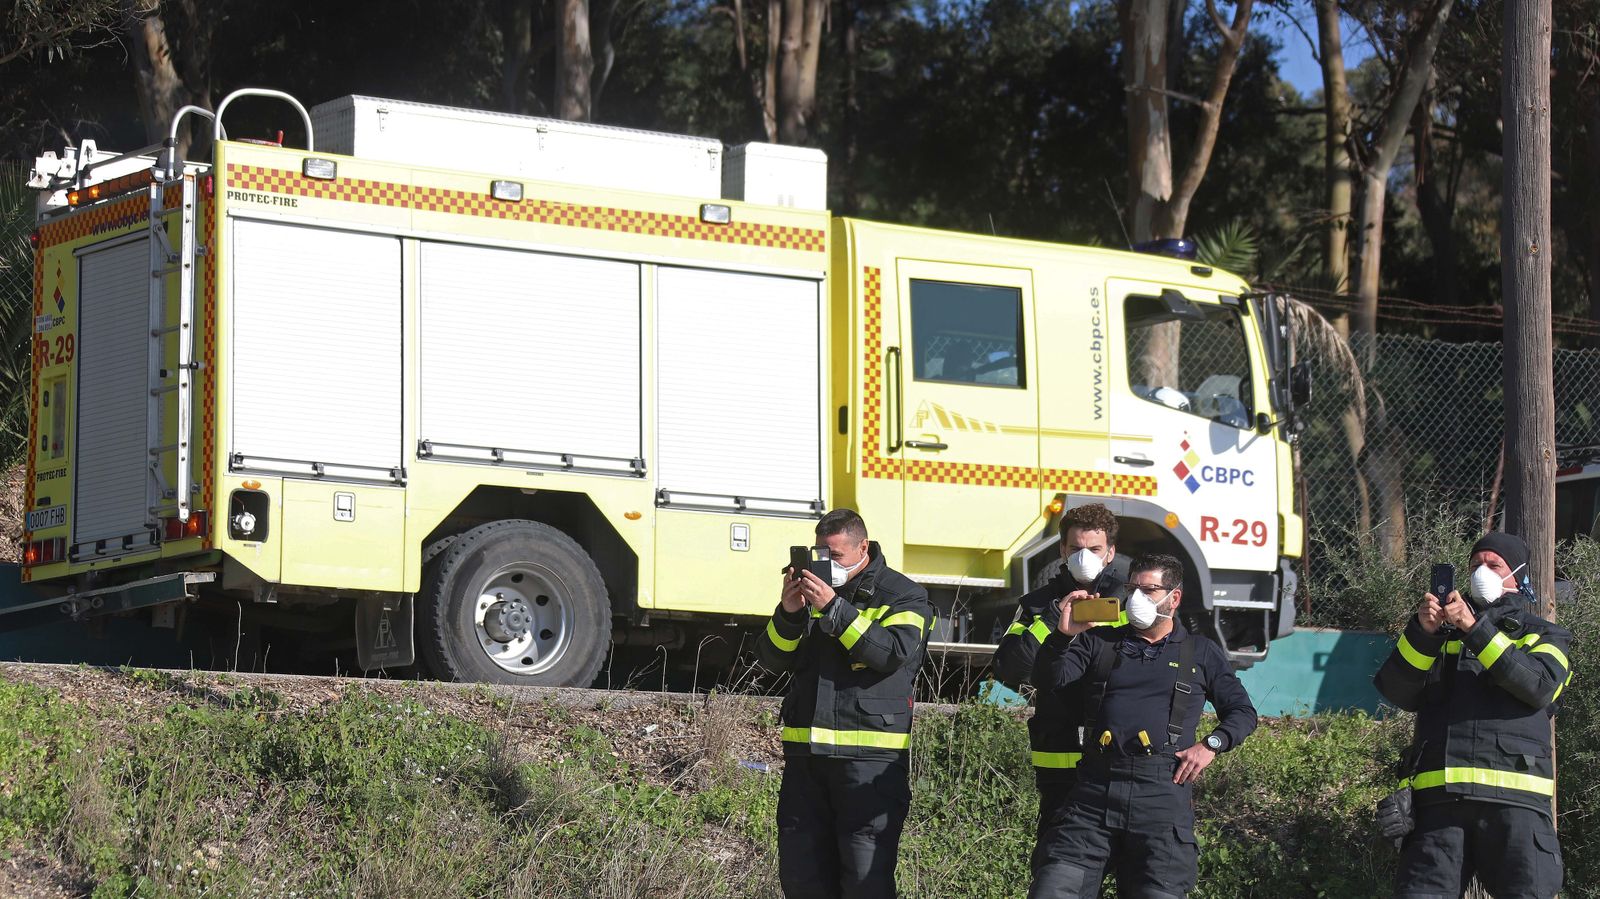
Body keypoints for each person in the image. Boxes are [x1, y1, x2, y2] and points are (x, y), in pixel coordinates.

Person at [1029, 553, 1257, 899]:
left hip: (1161, 797)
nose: (1136, 598)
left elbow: (1242, 711)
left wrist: (1211, 744)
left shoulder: (1201, 652)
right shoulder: (1099, 642)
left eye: (1148, 590)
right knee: (1053, 889)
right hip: (1094, 795)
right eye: (1132, 588)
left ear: (1173, 597)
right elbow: (1049, 679)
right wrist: (1063, 636)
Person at [1374, 532, 1571, 899]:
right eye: (1475, 565)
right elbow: (1396, 691)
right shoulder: (1439, 637)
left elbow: (1538, 687)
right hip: (1438, 806)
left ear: (1518, 577)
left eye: (1493, 565)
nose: (1482, 572)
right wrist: (1422, 634)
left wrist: (1474, 629)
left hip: (1516, 806)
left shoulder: (1545, 636)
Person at [755, 509, 935, 899]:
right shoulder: (809, 594)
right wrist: (789, 613)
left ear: (863, 548)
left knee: (864, 881)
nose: (825, 563)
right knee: (802, 877)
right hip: (807, 759)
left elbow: (890, 653)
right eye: (820, 553)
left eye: (835, 555)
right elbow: (771, 660)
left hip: (868, 761)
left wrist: (834, 608)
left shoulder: (903, 594)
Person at [990, 504, 1129, 876]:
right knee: (1056, 866)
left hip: (1118, 758)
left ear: (1110, 552)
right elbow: (1008, 668)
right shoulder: (1037, 605)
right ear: (1063, 552)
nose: (1086, 557)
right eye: (1077, 548)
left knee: (1123, 867)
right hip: (1059, 756)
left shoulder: (1131, 603)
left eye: (1095, 549)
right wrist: (1053, 619)